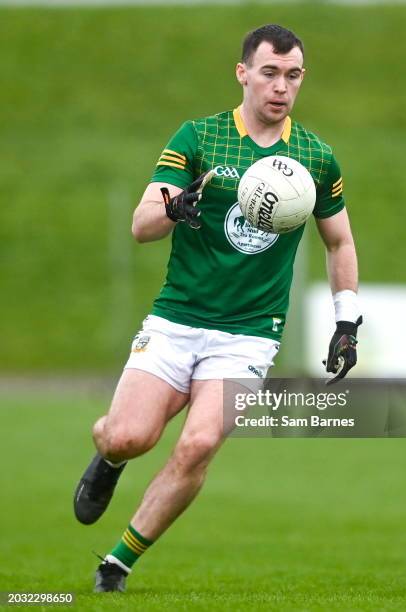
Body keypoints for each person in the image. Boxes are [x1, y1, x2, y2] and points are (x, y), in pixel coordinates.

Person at [73, 24, 362, 593]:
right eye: (270, 73)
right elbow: (140, 226)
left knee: (200, 443)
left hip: (250, 335)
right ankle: (107, 458)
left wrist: (347, 320)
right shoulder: (199, 137)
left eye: (293, 75)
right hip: (177, 319)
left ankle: (116, 564)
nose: (281, 87)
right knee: (127, 437)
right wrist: (174, 208)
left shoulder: (315, 157)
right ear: (244, 73)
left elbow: (340, 242)